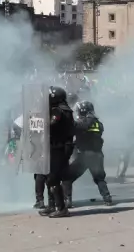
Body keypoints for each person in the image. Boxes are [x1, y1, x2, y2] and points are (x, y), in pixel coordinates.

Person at [63, 101, 113, 208]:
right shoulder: (98, 123)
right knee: (99, 178)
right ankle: (107, 198)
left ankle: (67, 201)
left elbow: (76, 129)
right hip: (98, 155)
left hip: (85, 156)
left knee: (67, 178)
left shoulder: (82, 124)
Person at [38, 86, 74, 218]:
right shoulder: (64, 109)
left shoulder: (58, 111)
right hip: (60, 146)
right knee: (50, 176)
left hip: (59, 147)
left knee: (53, 178)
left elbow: (50, 126)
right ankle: (53, 206)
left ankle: (61, 208)